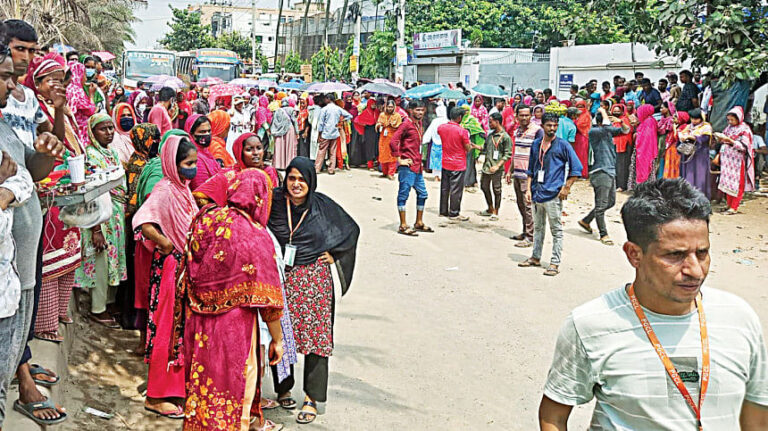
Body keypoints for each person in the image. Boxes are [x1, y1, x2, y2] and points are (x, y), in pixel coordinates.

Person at [539, 178, 768, 431]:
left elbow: (757, 407)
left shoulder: (739, 318)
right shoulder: (590, 325)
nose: (695, 270)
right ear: (634, 254)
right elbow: (553, 417)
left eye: (702, 253)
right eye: (675, 255)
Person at [175, 168, 286, 431]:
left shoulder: (205, 219)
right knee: (234, 386)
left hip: (198, 320)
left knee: (203, 384)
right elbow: (268, 302)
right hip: (235, 326)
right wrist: (278, 340)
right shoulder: (256, 235)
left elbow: (187, 269)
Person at [1, 39, 67, 426]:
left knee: (9, 353)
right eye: (7, 76)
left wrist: (45, 151)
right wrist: (7, 193)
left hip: (19, 270)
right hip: (7, 274)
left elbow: (34, 168)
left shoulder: (4, 127)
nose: (13, 87)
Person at [267, 157, 360, 425]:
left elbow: (351, 229)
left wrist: (335, 254)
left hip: (313, 280)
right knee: (280, 334)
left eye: (302, 179)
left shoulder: (322, 206)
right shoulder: (274, 202)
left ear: (311, 182)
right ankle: (283, 387)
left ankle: (311, 397)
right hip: (280, 278)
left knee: (317, 339)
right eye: (292, 178)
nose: (296, 184)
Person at [132, 134, 198, 419]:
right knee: (167, 330)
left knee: (180, 331)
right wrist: (164, 242)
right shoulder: (165, 190)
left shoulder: (183, 189)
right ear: (173, 163)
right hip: (170, 269)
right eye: (188, 163)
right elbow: (141, 221)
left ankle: (176, 388)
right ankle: (156, 395)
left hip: (183, 270)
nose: (192, 168)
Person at [25, 53, 84, 344]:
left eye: (62, 81)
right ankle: (45, 322)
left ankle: (59, 312)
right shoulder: (32, 107)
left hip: (64, 189)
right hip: (45, 189)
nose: (58, 86)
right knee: (50, 257)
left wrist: (60, 109)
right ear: (37, 83)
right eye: (52, 81)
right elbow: (53, 147)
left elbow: (67, 145)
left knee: (69, 252)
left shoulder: (57, 107)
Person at [74, 113, 126, 328]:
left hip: (116, 217)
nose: (109, 133)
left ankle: (110, 301)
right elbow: (92, 192)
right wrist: (95, 228)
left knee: (114, 261)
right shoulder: (91, 156)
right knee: (101, 262)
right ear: (92, 133)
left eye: (111, 128)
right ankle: (98, 308)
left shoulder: (112, 153)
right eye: (103, 129)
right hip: (101, 219)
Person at [518, 113, 582, 276]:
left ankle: (554, 262)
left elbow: (576, 168)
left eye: (555, 125)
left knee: (556, 230)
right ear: (543, 126)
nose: (552, 128)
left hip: (553, 193)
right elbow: (531, 169)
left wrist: (566, 187)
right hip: (537, 192)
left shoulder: (563, 145)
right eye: (549, 125)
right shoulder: (536, 144)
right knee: (538, 227)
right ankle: (535, 256)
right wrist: (529, 189)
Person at [578, 107, 629, 245]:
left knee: (610, 202)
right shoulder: (594, 132)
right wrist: (604, 112)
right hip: (600, 172)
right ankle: (603, 234)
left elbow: (626, 130)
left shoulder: (607, 132)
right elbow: (607, 127)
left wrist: (620, 121)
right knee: (601, 206)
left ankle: (586, 220)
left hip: (610, 171)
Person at [390, 100, 431, 235]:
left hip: (417, 166)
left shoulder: (418, 124)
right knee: (403, 195)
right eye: (417, 110)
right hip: (407, 167)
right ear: (411, 111)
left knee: (423, 194)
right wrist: (399, 159)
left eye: (422, 110)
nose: (420, 112)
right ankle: (403, 225)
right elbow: (393, 141)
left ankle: (419, 222)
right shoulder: (406, 124)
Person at [506, 105, 543, 247]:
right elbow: (516, 152)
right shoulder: (517, 131)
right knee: (520, 204)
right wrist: (510, 170)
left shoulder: (537, 131)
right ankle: (525, 231)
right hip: (518, 173)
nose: (524, 118)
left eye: (527, 115)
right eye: (521, 115)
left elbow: (540, 154)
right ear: (517, 116)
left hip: (528, 176)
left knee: (528, 206)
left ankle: (530, 237)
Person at [716, 106, 755, 214]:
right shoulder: (728, 128)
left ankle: (734, 206)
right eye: (728, 120)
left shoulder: (745, 130)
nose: (730, 122)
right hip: (727, 161)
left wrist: (730, 141)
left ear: (739, 118)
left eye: (732, 120)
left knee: (738, 183)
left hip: (738, 162)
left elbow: (745, 147)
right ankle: (729, 204)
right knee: (728, 182)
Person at [438, 107, 471, 221]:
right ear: (460, 117)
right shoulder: (462, 131)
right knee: (456, 189)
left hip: (445, 160)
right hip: (458, 162)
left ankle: (443, 210)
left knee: (445, 188)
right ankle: (454, 212)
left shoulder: (441, 128)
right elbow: (468, 147)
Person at [477, 112, 513, 220]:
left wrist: (498, 166)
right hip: (487, 167)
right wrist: (475, 146)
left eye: (490, 122)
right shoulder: (490, 136)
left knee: (496, 189)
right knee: (484, 186)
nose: (489, 124)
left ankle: (496, 211)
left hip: (496, 168)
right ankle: (490, 207)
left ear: (497, 122)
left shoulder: (505, 137)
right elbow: (484, 148)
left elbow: (508, 154)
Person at [678, 108, 713, 199]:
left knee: (699, 176)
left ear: (701, 118)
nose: (693, 120)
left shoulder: (706, 127)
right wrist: (683, 136)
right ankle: (688, 196)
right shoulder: (689, 126)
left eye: (696, 118)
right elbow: (682, 134)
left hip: (700, 155)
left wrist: (694, 138)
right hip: (688, 155)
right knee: (688, 175)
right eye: (692, 118)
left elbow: (705, 139)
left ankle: (700, 198)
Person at [315, 93, 352, 174]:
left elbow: (321, 123)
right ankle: (331, 169)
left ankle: (317, 168)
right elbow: (349, 116)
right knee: (333, 151)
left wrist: (319, 134)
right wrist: (341, 121)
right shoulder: (338, 109)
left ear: (328, 99)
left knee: (321, 151)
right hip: (335, 132)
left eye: (325, 98)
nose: (324, 100)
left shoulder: (324, 109)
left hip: (325, 133)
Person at [184, 113, 221, 190]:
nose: (207, 134)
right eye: (202, 132)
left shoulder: (205, 152)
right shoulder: (194, 157)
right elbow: (201, 189)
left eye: (209, 131)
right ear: (191, 134)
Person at [66, 60, 96, 145]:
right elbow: (90, 110)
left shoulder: (67, 88)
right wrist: (91, 95)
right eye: (84, 75)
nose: (85, 78)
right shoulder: (77, 91)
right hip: (79, 132)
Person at [629, 104, 659, 189]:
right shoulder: (648, 121)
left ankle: (643, 188)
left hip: (644, 152)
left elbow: (645, 139)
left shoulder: (648, 122)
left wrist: (637, 136)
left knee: (645, 171)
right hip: (642, 151)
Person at [375, 98, 402, 179]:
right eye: (388, 107)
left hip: (393, 137)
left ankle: (391, 173)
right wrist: (380, 125)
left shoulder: (397, 116)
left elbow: (399, 126)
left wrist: (392, 124)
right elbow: (378, 123)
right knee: (383, 154)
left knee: (392, 155)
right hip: (383, 137)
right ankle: (384, 172)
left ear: (394, 107)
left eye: (391, 107)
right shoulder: (382, 115)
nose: (390, 108)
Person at [461, 106, 485, 192]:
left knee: (469, 163)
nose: (465, 112)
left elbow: (480, 131)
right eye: (463, 110)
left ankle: (466, 182)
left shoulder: (472, 120)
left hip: (470, 145)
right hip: (461, 146)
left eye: (467, 110)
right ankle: (472, 181)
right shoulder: (460, 119)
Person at [610, 104, 633, 190]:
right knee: (616, 165)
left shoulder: (624, 119)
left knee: (622, 166)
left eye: (618, 111)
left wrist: (619, 121)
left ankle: (622, 185)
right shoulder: (612, 120)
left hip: (624, 145)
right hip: (615, 145)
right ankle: (616, 184)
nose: (616, 112)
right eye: (614, 111)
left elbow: (626, 131)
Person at [423, 104, 448, 182]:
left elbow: (429, 132)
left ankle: (436, 176)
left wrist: (424, 140)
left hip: (435, 143)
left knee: (435, 159)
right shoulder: (447, 121)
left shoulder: (435, 121)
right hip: (444, 144)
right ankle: (442, 176)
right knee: (442, 160)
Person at [272, 99, 299, 170]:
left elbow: (274, 122)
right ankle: (289, 164)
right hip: (289, 129)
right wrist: (297, 132)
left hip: (279, 131)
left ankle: (279, 164)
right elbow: (294, 121)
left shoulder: (277, 111)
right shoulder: (291, 110)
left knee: (280, 147)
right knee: (289, 147)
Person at [351, 99, 379, 168]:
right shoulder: (366, 112)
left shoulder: (377, 111)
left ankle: (377, 163)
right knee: (369, 147)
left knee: (376, 147)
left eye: (374, 104)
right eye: (372, 104)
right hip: (368, 131)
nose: (373, 105)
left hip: (376, 131)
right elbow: (357, 120)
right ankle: (370, 164)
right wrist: (364, 124)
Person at [109, 102, 136, 166]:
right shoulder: (113, 139)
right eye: (122, 116)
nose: (127, 118)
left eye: (129, 115)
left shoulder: (139, 135)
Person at [573, 100, 591, 179]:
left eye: (582, 107)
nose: (580, 109)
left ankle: (583, 173)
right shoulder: (575, 115)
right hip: (576, 137)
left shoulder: (586, 115)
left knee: (582, 156)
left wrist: (575, 123)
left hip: (583, 137)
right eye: (578, 107)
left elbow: (581, 125)